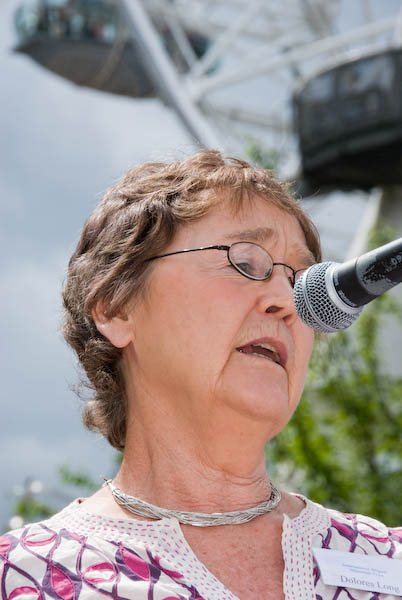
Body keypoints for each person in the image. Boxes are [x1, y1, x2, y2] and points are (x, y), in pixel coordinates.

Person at [1, 150, 401, 600]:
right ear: (116, 308)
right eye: (244, 262)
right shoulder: (23, 576)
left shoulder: (389, 558)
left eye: (301, 281)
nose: (288, 302)